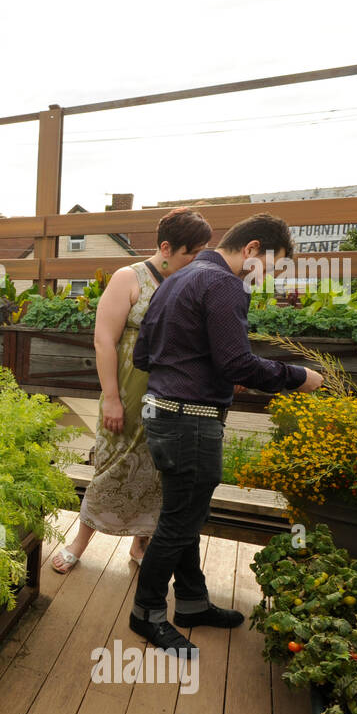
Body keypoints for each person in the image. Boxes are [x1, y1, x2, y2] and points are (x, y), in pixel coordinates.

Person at [129, 213, 324, 653]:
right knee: (178, 522)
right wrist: (299, 377)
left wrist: (203, 370)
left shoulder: (177, 278)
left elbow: (145, 356)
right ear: (252, 249)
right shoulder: (222, 284)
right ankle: (146, 614)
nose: (264, 280)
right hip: (190, 421)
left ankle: (193, 602)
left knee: (186, 516)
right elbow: (237, 363)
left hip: (163, 413)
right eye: (268, 269)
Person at [51, 208, 212, 574]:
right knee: (112, 466)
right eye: (192, 252)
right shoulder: (129, 277)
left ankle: (142, 545)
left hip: (170, 395)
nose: (197, 260)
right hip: (127, 391)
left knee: (158, 471)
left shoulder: (189, 280)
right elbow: (103, 341)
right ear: (167, 247)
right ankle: (80, 541)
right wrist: (111, 397)